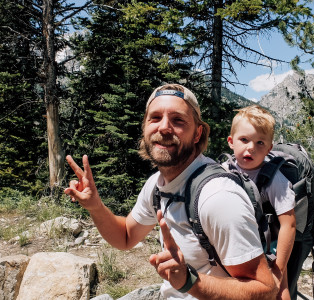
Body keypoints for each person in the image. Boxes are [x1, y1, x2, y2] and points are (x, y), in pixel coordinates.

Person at [64, 84, 278, 299]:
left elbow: (265, 290)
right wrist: (95, 206)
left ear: (197, 134)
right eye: (155, 118)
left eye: (178, 120)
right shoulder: (157, 185)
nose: (164, 128)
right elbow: (126, 237)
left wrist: (190, 282)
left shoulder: (218, 197)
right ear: (145, 127)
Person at [226, 105, 296, 300]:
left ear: (268, 148)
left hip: (269, 250)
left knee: (279, 291)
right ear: (231, 142)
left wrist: (279, 269)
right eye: (244, 140)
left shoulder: (275, 179)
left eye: (259, 143)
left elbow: (288, 224)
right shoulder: (223, 170)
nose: (251, 148)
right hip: (238, 245)